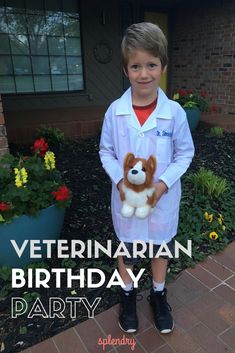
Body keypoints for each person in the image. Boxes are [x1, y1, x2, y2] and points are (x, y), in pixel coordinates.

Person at [99, 22, 194, 334]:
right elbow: (106, 151)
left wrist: (163, 184)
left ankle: (157, 293)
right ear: (126, 70)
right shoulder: (115, 112)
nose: (144, 74)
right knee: (126, 246)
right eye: (136, 66)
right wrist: (121, 182)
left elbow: (184, 154)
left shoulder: (175, 113)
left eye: (151, 65)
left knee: (160, 247)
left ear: (163, 66)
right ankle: (127, 295)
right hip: (126, 199)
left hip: (162, 200)